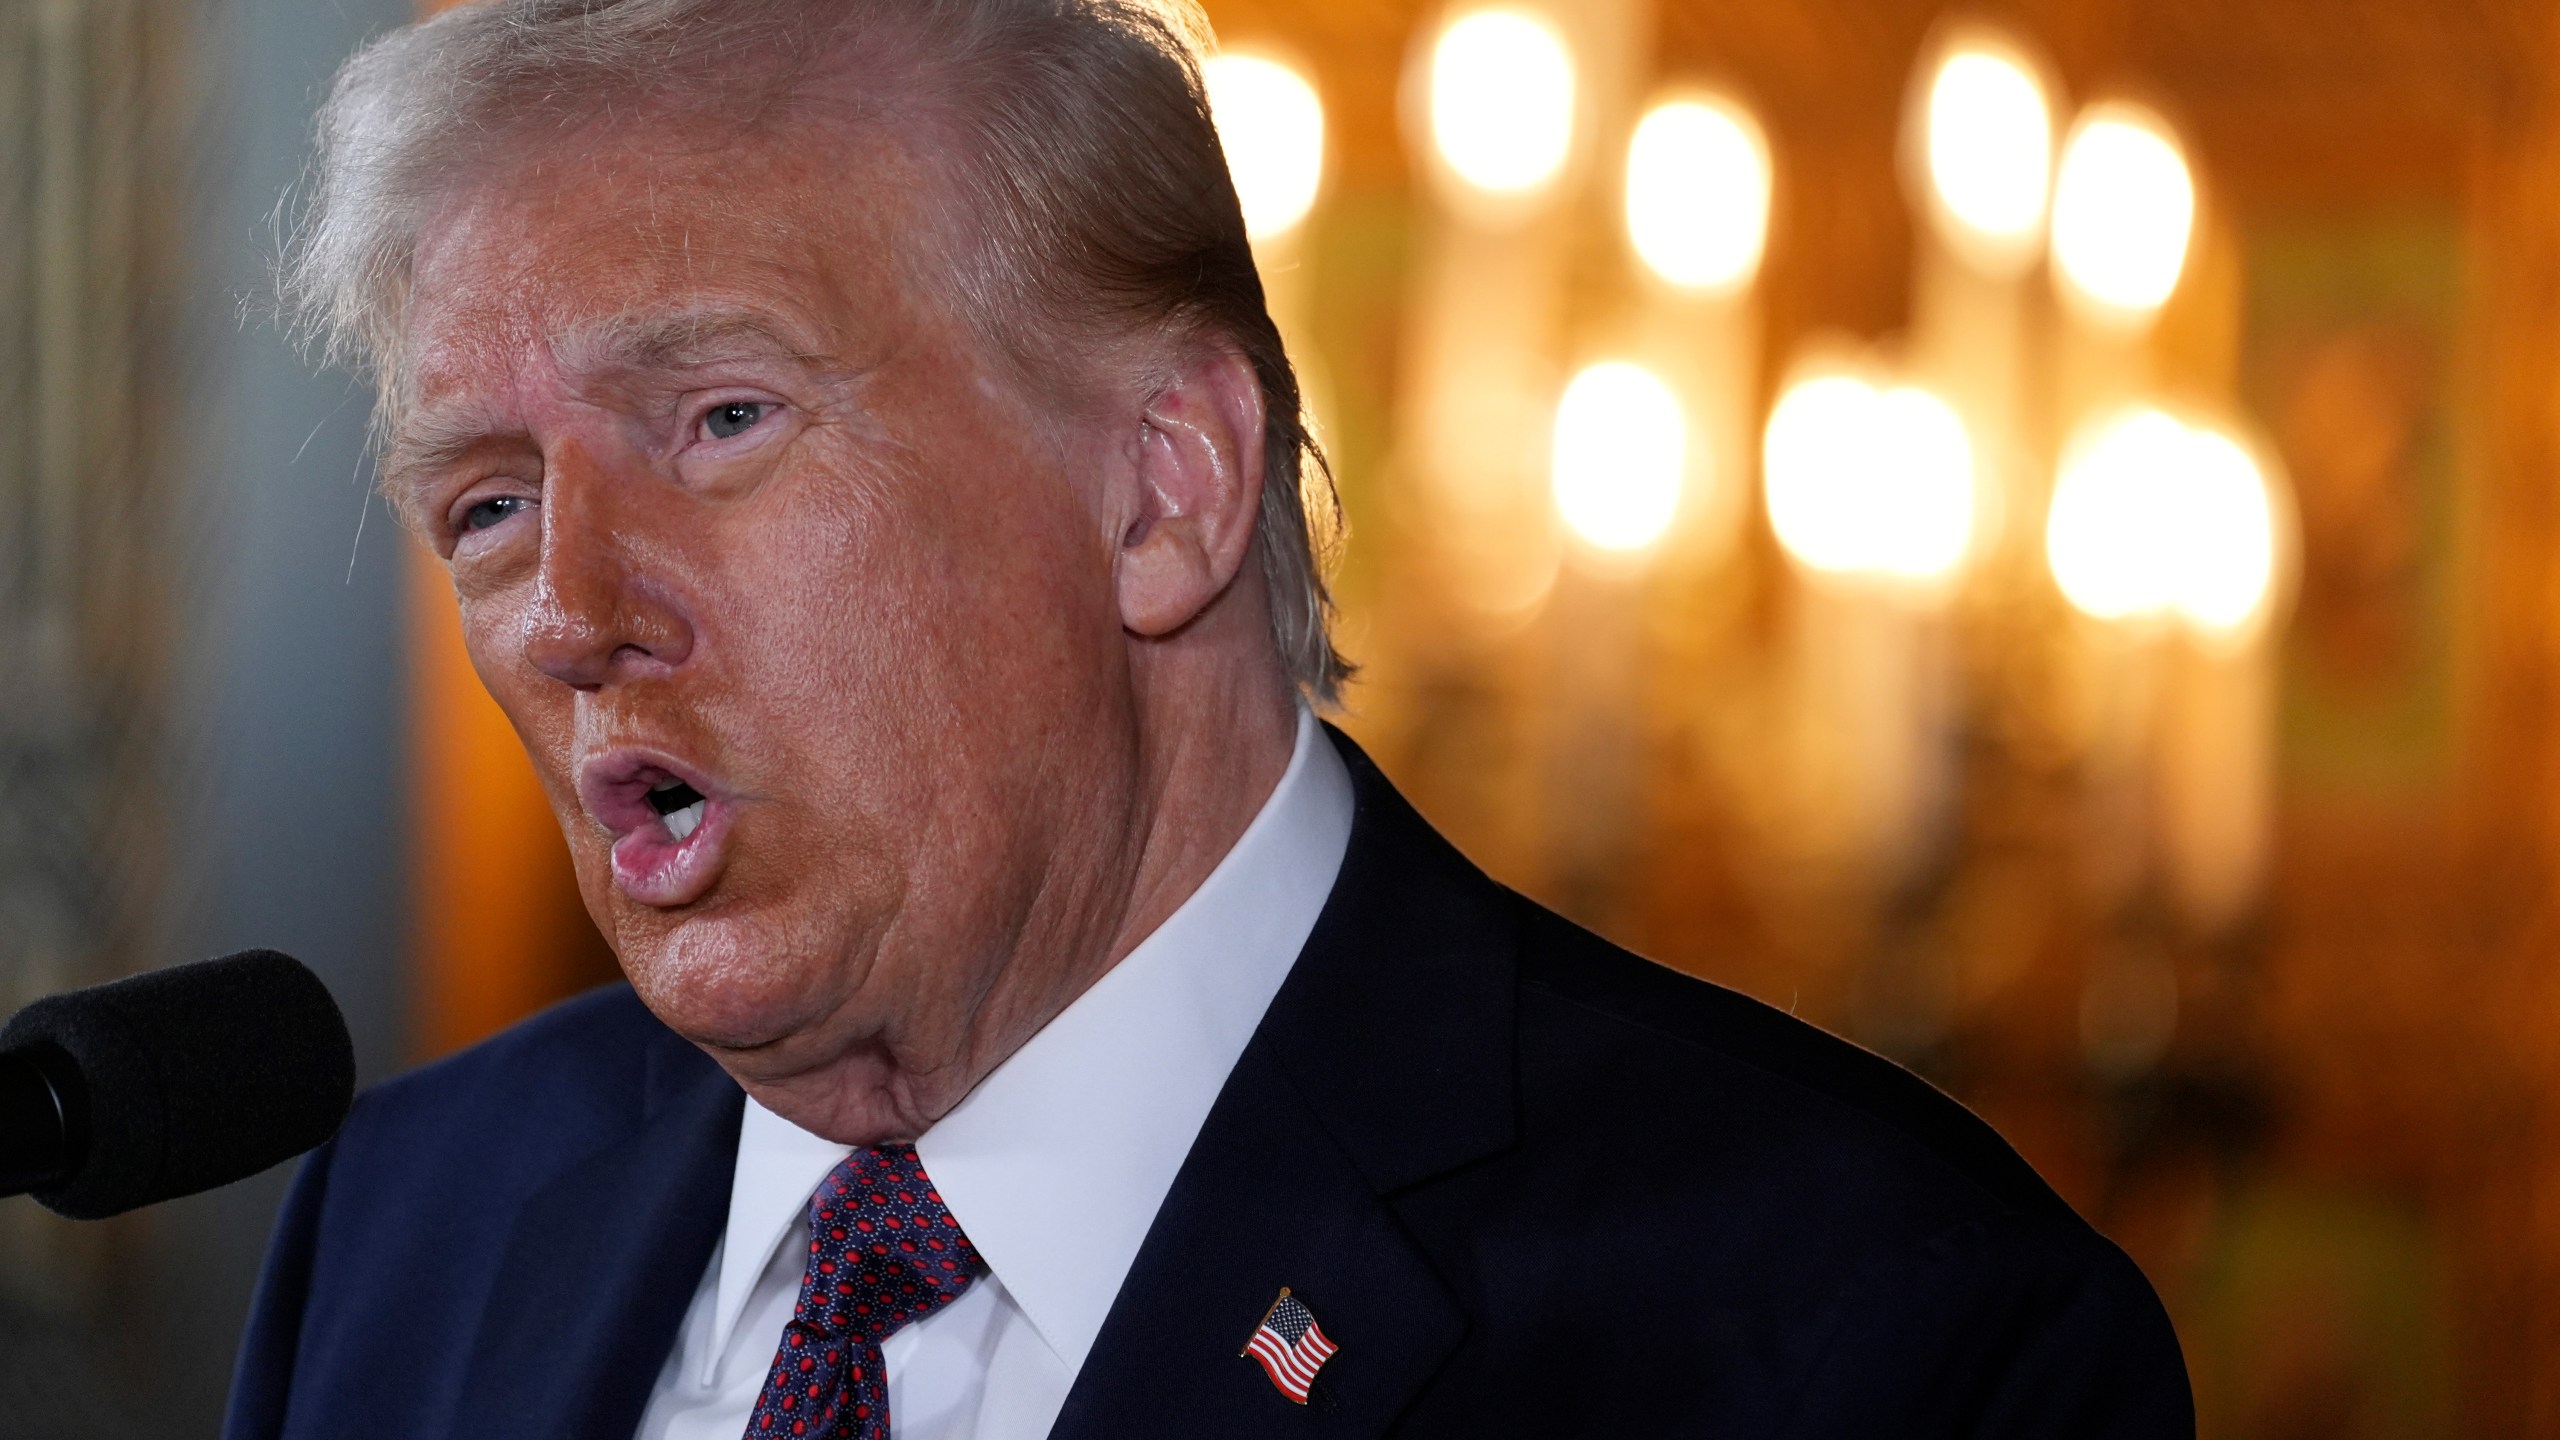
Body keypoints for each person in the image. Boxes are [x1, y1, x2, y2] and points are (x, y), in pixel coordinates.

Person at [224, 1, 2193, 1436]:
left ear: (1161, 486)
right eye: (485, 502)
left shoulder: (1871, 1341)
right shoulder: (406, 1227)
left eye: (723, 421)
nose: (568, 611)